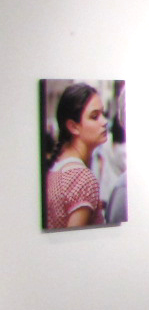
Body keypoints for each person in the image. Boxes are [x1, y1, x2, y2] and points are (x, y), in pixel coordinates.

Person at [46, 82, 108, 229]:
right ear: (73, 126)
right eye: (94, 116)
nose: (104, 121)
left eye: (103, 114)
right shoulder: (81, 178)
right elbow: (74, 239)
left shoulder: (58, 166)